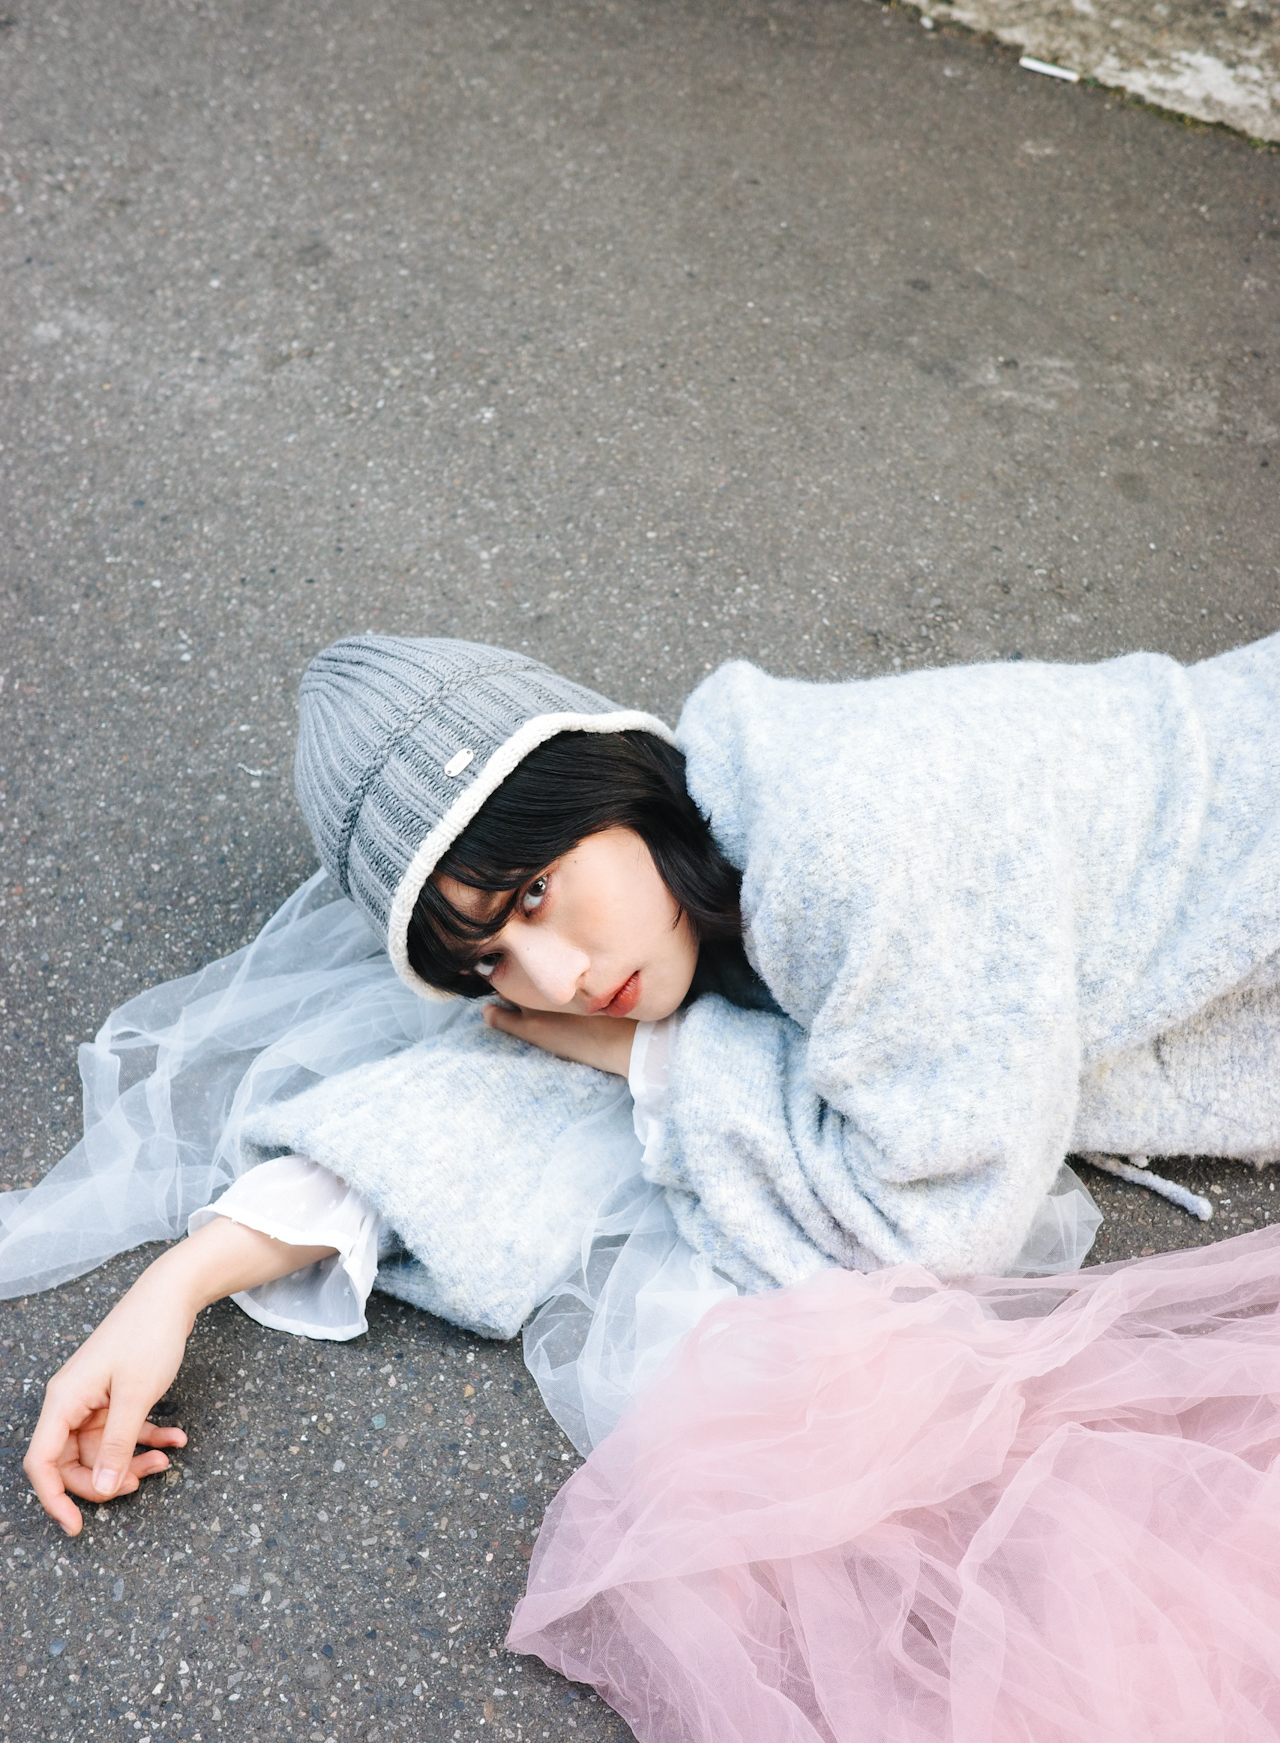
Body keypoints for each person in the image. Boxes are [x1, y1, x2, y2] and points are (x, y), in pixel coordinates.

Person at [13, 629, 1280, 1550]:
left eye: (531, 894)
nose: (556, 980)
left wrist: (653, 1061)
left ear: (604, 780)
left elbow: (933, 1228)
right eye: (489, 959)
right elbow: (477, 1096)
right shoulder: (667, 884)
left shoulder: (845, 837)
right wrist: (178, 1284)